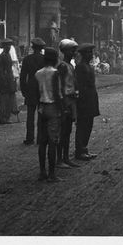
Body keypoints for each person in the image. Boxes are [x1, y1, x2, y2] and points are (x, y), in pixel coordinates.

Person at [33, 47, 62, 182]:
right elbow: (57, 93)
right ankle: (52, 174)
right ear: (55, 59)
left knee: (42, 142)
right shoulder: (55, 73)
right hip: (52, 107)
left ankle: (42, 172)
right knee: (52, 142)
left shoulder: (38, 73)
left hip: (41, 108)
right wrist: (62, 109)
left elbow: (36, 92)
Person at [56, 38, 81, 168]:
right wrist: (62, 105)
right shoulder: (62, 66)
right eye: (72, 50)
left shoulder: (70, 65)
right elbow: (60, 86)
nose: (74, 52)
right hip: (65, 100)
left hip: (71, 100)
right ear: (65, 51)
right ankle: (59, 159)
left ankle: (66, 158)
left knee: (68, 131)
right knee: (63, 131)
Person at [75, 43, 100, 160]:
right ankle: (80, 150)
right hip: (84, 101)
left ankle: (84, 148)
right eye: (89, 53)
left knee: (88, 125)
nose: (91, 55)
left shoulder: (88, 66)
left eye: (91, 52)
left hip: (90, 99)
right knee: (82, 126)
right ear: (84, 54)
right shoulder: (80, 67)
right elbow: (79, 86)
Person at [20, 37, 46, 144]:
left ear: (32, 47)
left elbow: (23, 77)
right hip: (41, 88)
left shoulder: (27, 59)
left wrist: (24, 90)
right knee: (41, 115)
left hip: (30, 88)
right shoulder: (45, 59)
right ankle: (40, 138)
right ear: (41, 48)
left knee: (30, 116)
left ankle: (29, 138)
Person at [0, 39, 19, 125]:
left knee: (9, 100)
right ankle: (3, 118)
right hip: (4, 80)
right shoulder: (1, 56)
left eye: (9, 45)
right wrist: (3, 80)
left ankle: (7, 117)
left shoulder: (8, 55)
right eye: (7, 45)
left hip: (10, 79)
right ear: (4, 47)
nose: (9, 47)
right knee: (4, 100)